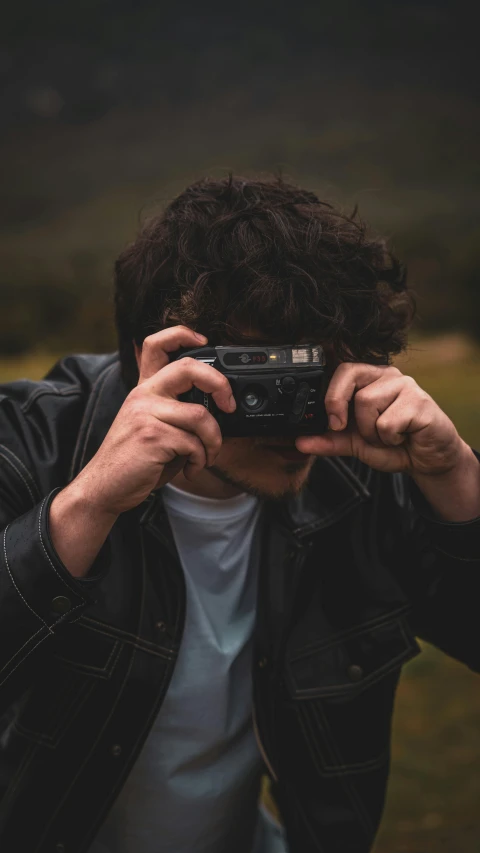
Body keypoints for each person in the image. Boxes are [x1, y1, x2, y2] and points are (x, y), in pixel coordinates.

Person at [0, 176, 479, 853]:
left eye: (314, 381)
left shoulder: (364, 478)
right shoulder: (29, 442)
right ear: (164, 356)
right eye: (263, 382)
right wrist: (89, 502)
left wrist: (455, 473)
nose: (297, 425)